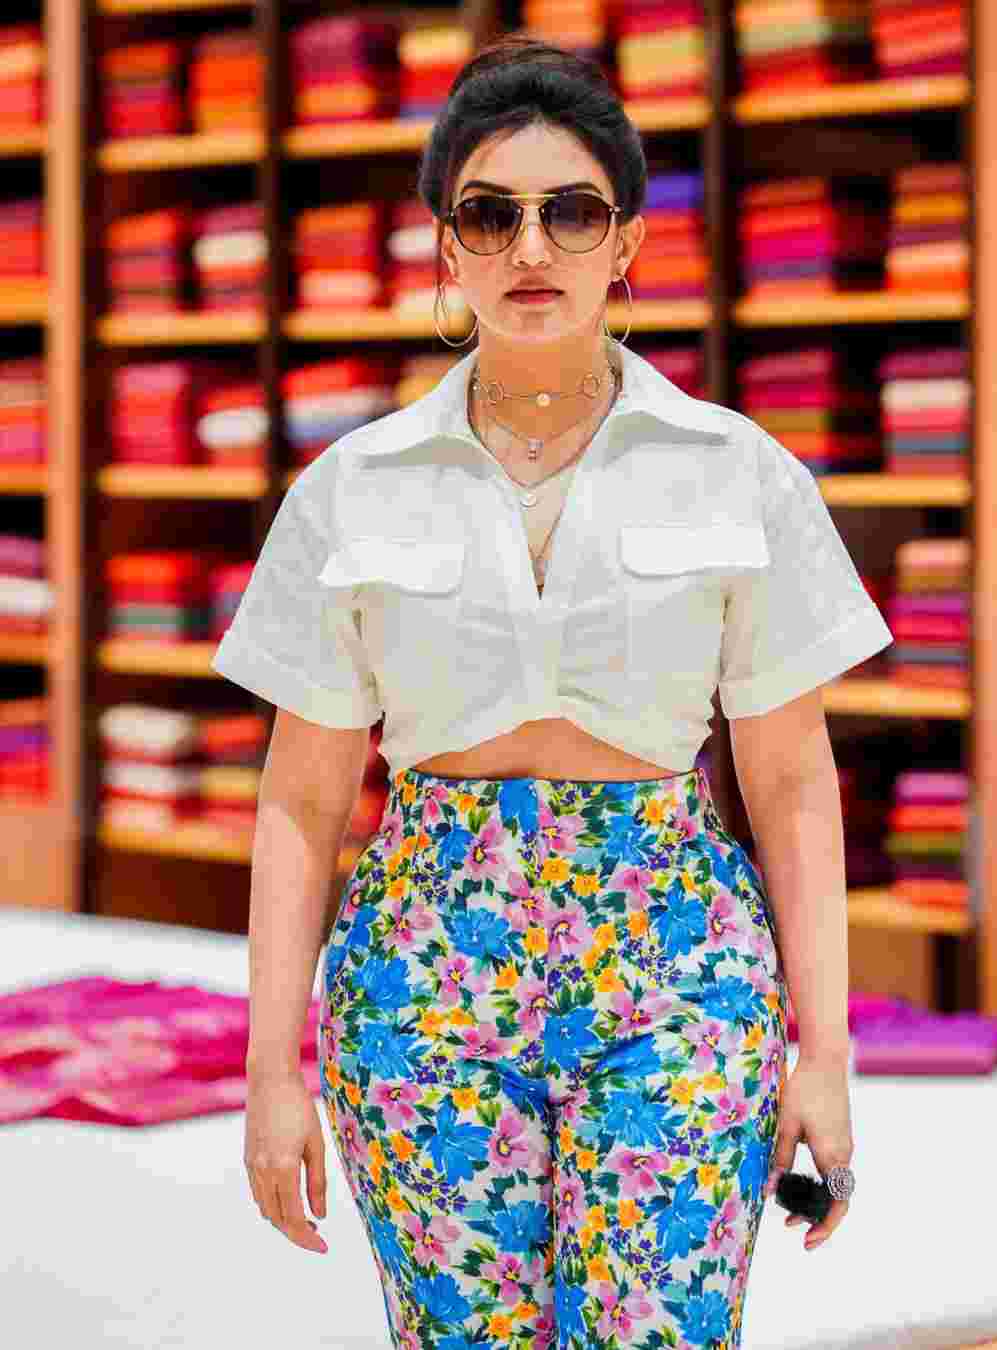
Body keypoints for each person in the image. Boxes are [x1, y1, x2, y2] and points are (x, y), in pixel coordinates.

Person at [212, 34, 891, 1350]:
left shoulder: (739, 471)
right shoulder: (352, 489)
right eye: (491, 214)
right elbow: (299, 802)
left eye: (572, 211)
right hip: (419, 982)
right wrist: (269, 1072)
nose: (532, 246)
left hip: (680, 972)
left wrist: (828, 1053)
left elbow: (792, 782)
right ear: (446, 249)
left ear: (627, 240)